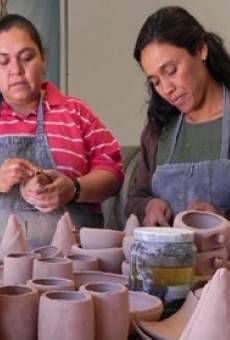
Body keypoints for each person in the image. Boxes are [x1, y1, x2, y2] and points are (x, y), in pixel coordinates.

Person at [0, 14, 124, 247]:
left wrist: (74, 189)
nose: (16, 70)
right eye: (3, 61)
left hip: (76, 266)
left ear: (43, 58)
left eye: (26, 57)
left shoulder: (75, 112)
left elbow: (114, 173)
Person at [126, 6, 230, 226]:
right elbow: (135, 199)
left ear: (201, 49)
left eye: (171, 70)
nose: (166, 89)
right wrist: (149, 205)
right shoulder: (158, 131)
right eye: (155, 81)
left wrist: (221, 218)